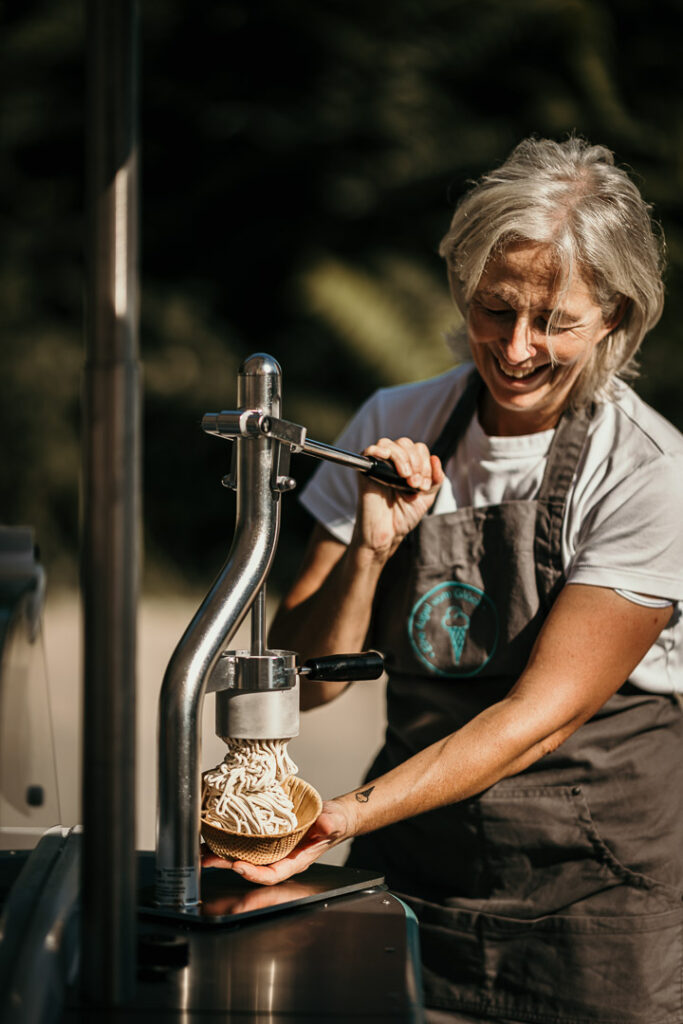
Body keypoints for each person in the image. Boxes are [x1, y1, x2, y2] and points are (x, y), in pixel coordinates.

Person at [203, 137, 683, 1024]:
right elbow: (304, 686)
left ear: (614, 316)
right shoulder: (394, 422)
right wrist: (370, 552)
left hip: (594, 902)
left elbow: (538, 720)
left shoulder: (647, 471)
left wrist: (341, 819)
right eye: (494, 308)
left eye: (554, 321)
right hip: (414, 869)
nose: (515, 347)